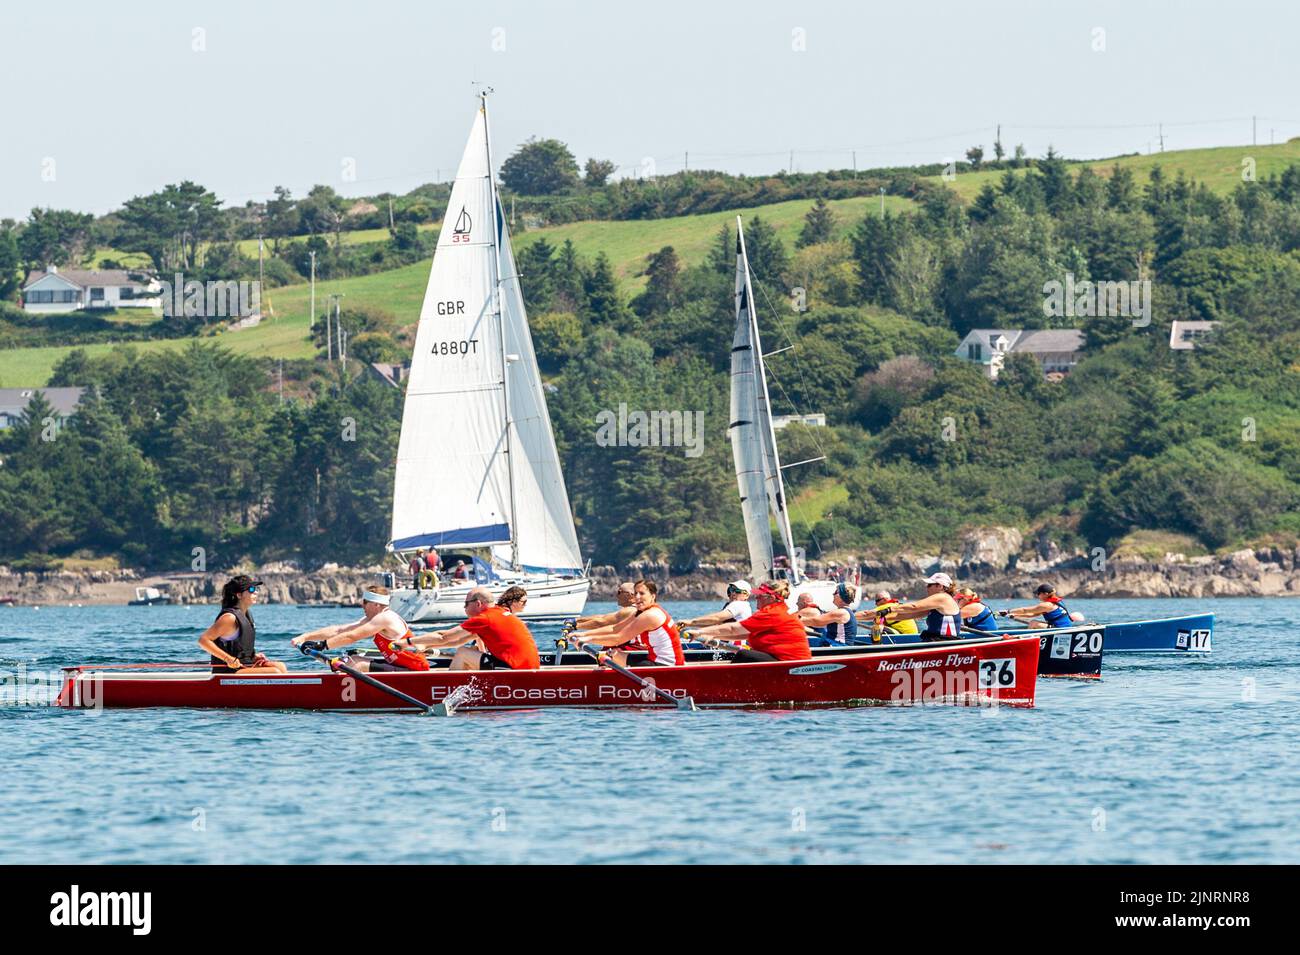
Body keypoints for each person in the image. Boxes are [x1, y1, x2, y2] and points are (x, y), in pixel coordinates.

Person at [292, 586, 427, 672]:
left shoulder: (385, 618)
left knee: (355, 662)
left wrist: (322, 645)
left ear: (376, 604)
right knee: (349, 659)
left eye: (365, 602)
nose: (362, 606)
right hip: (402, 666)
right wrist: (305, 637)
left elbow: (353, 637)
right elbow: (340, 630)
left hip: (414, 670)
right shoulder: (374, 618)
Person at [407, 586, 540, 670]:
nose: (464, 608)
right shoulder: (501, 616)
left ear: (478, 604)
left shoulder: (488, 618)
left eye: (466, 604)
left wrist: (409, 642)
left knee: (463, 653)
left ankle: (449, 692)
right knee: (467, 652)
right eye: (524, 602)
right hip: (524, 667)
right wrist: (425, 645)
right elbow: (456, 641)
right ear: (512, 602)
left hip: (513, 668)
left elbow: (446, 637)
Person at [692, 580, 812, 663]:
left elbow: (733, 628)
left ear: (771, 598)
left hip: (790, 664)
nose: (756, 598)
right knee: (746, 654)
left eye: (760, 596)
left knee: (744, 655)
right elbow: (746, 634)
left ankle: (727, 688)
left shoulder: (771, 613)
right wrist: (712, 635)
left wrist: (700, 632)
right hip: (784, 660)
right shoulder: (777, 610)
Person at [577, 579, 684, 667]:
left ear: (653, 596)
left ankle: (610, 686)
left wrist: (587, 639)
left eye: (642, 593)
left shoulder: (651, 615)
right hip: (656, 659)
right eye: (636, 593)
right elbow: (615, 628)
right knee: (614, 654)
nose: (637, 597)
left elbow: (618, 638)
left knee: (612, 655)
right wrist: (582, 634)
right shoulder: (642, 612)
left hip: (667, 666)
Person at [199, 575, 287, 674]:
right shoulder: (229, 618)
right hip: (229, 671)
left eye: (256, 589)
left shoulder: (246, 615)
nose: (256, 592)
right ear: (239, 595)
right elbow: (203, 640)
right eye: (251, 589)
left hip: (244, 666)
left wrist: (253, 657)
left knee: (280, 666)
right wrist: (228, 659)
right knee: (274, 672)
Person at [885, 573, 963, 641]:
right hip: (936, 641)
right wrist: (884, 617)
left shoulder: (942, 597)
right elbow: (910, 614)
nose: (927, 587)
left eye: (929, 585)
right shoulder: (937, 604)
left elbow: (914, 606)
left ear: (940, 586)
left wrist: (889, 609)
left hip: (944, 643)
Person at [564, 581, 638, 635]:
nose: (616, 595)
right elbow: (603, 617)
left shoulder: (629, 610)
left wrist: (576, 626)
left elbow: (601, 623)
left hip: (632, 650)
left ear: (630, 595)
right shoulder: (632, 609)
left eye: (619, 592)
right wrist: (576, 620)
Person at [680, 580, 753, 630]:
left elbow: (716, 618)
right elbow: (714, 623)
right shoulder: (742, 606)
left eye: (737, 591)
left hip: (733, 649)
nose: (733, 594)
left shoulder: (739, 604)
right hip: (728, 646)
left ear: (746, 595)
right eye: (731, 590)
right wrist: (689, 624)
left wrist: (691, 621)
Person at [1004, 583, 1080, 629]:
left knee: (1033, 623)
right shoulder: (1058, 601)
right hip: (1064, 627)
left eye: (1038, 594)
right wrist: (1014, 615)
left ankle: (1029, 641)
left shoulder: (1047, 605)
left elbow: (1025, 610)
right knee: (1033, 622)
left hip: (1060, 629)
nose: (1037, 596)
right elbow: (1032, 614)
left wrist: (1008, 611)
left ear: (1045, 594)